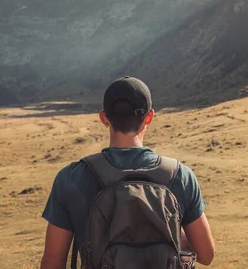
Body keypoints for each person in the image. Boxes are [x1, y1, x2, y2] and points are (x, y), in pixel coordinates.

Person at [40, 76, 215, 268]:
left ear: (104, 118)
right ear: (149, 117)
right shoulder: (180, 176)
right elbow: (206, 254)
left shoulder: (71, 177)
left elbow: (52, 262)